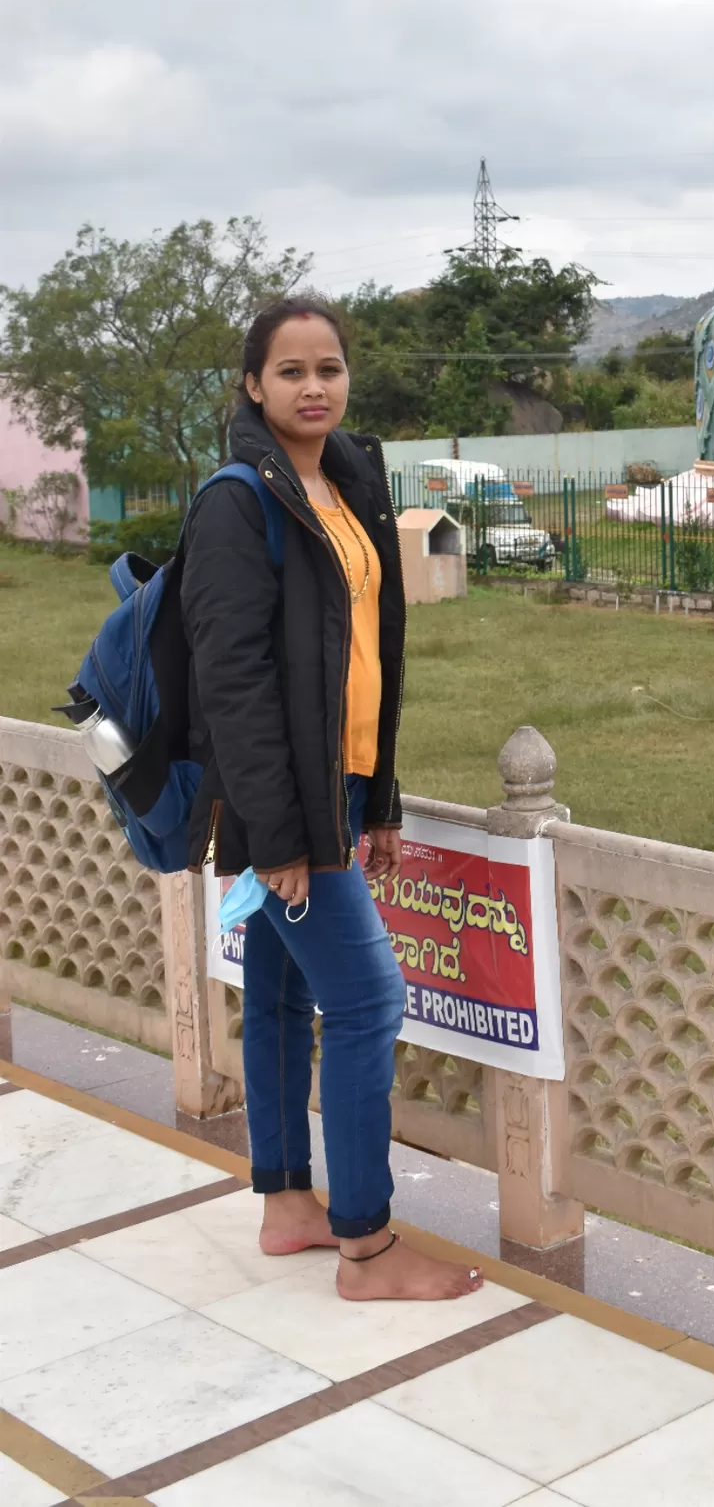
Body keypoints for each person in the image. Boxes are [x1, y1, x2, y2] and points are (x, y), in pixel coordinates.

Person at [181, 295, 481, 1302]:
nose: (315, 388)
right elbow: (236, 686)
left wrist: (379, 798)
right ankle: (368, 1247)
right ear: (254, 385)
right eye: (292, 371)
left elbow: (369, 658)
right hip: (288, 809)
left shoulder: (347, 482)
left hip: (340, 789)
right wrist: (277, 835)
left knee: (278, 993)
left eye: (330, 368)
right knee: (367, 1003)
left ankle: (288, 1206)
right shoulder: (238, 502)